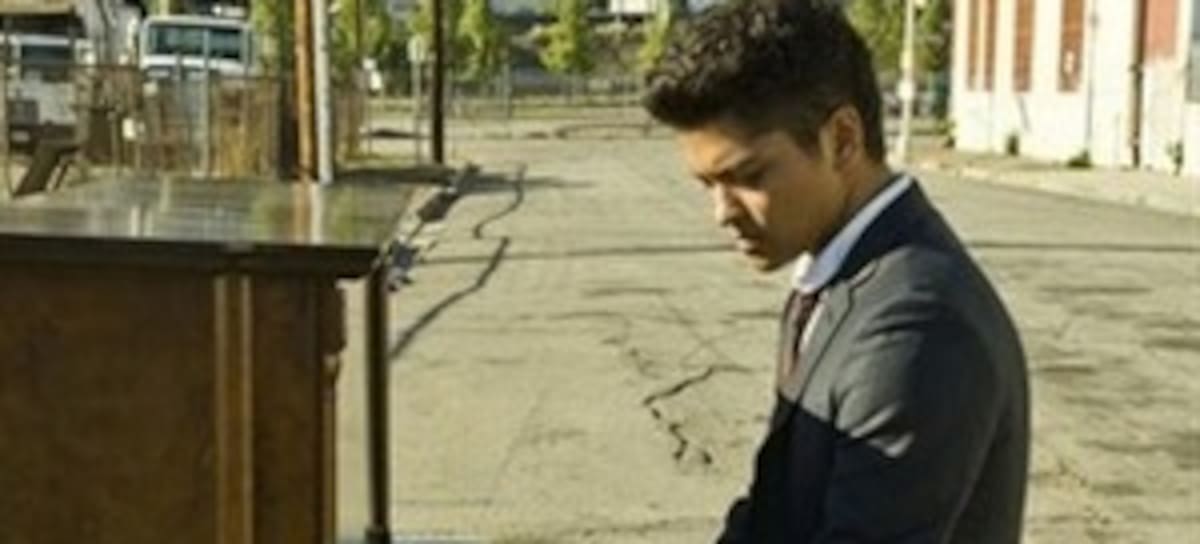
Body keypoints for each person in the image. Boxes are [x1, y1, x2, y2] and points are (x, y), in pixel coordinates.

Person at [642, 0, 1030, 542]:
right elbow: (776, 509)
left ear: (842, 139)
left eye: (747, 177)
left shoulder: (917, 326)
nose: (723, 213)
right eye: (707, 185)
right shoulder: (839, 276)